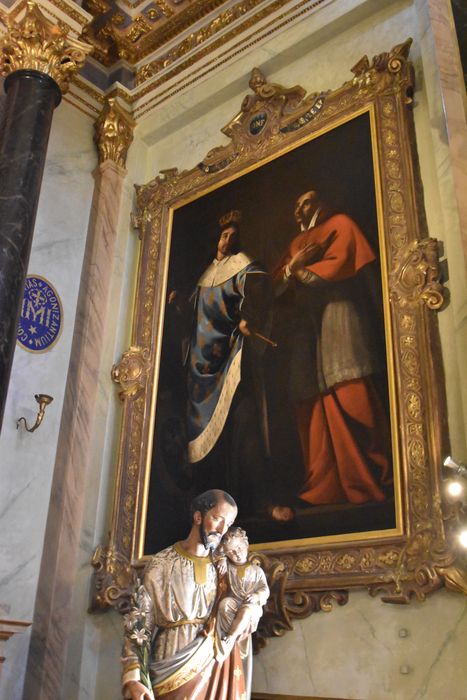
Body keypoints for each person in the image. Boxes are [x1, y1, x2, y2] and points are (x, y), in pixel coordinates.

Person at [275, 189, 392, 505]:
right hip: (310, 331)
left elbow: (328, 272)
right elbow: (276, 286)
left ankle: (379, 470)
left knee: (351, 392)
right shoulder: (296, 245)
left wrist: (298, 270)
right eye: (297, 205)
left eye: (307, 202)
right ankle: (332, 485)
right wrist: (294, 266)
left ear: (321, 202)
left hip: (339, 317)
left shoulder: (340, 224)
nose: (301, 210)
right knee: (322, 403)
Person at [182, 210, 273, 514]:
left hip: (229, 354)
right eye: (225, 235)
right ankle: (205, 507)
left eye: (234, 235)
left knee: (243, 420)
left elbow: (258, 286)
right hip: (200, 367)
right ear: (217, 240)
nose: (229, 239)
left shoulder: (242, 266)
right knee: (201, 439)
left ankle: (256, 500)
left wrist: (249, 317)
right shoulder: (205, 275)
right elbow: (193, 312)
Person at [121, 489, 247, 700]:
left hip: (215, 665)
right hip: (169, 662)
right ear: (198, 517)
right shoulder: (162, 564)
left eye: (229, 523)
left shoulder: (225, 569)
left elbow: (245, 607)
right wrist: (133, 678)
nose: (222, 530)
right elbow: (139, 625)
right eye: (217, 519)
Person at [214, 526, 269, 664]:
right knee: (224, 604)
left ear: (246, 544)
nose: (237, 553)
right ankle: (226, 636)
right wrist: (221, 559)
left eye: (239, 548)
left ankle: (232, 637)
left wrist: (256, 596)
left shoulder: (256, 570)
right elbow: (212, 554)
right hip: (234, 603)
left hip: (251, 606)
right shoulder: (228, 567)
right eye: (231, 552)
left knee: (246, 610)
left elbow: (265, 589)